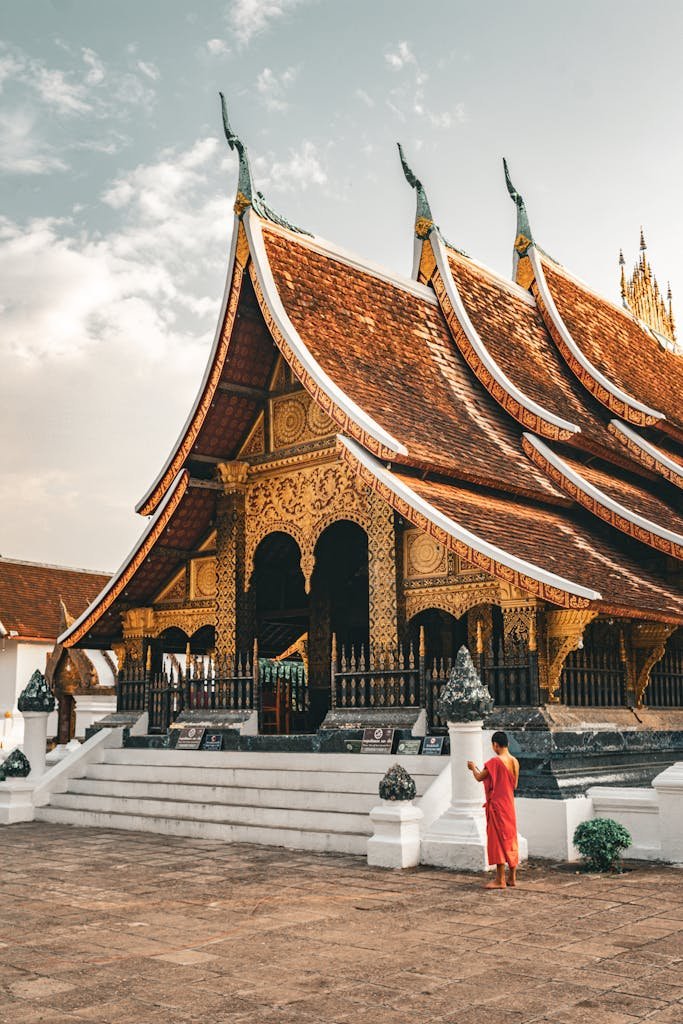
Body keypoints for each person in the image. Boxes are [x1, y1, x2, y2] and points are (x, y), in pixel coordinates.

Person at [467, 731, 519, 889]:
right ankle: (512, 877)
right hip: (509, 805)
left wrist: (472, 768)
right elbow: (514, 785)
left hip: (497, 805)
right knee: (510, 838)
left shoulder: (495, 762)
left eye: (493, 745)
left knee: (497, 840)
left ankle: (500, 879)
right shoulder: (515, 761)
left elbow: (479, 777)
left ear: (495, 745)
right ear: (508, 744)